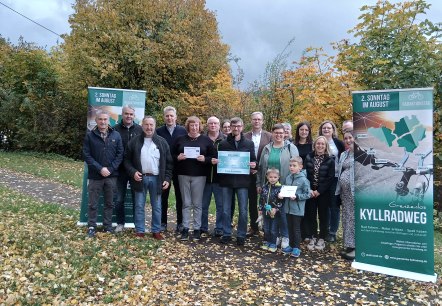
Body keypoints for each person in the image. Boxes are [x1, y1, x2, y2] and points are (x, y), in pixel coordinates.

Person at [124, 116, 173, 239]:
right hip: (140, 179)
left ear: (155, 126)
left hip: (157, 179)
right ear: (142, 125)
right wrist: (133, 172)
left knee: (157, 207)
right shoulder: (134, 142)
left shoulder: (162, 142)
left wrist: (167, 178)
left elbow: (169, 163)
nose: (149, 127)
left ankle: (156, 231)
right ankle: (140, 230)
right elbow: (126, 160)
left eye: (151, 125)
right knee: (139, 205)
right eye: (146, 124)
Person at [256, 123, 299, 252]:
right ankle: (272, 238)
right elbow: (260, 168)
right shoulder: (267, 148)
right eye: (276, 133)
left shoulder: (291, 148)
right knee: (270, 213)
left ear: (285, 134)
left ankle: (285, 237)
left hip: (285, 187)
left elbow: (296, 166)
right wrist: (259, 184)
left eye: (281, 133)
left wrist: (295, 186)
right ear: (272, 133)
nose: (279, 135)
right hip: (268, 187)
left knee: (283, 214)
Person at [172, 116, 216, 241]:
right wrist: (178, 158)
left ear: (200, 126)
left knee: (197, 204)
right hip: (183, 174)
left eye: (196, 125)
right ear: (188, 126)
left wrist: (205, 159)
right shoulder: (180, 139)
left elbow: (213, 157)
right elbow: (172, 154)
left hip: (200, 176)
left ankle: (197, 229)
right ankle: (185, 228)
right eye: (192, 125)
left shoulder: (206, 140)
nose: (194, 127)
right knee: (186, 203)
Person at [215, 117, 257, 246]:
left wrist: (254, 164)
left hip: (243, 182)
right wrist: (218, 163)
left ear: (242, 127)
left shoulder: (249, 144)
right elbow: (220, 162)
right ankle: (227, 233)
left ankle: (241, 235)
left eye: (238, 126)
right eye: (233, 126)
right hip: (226, 181)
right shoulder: (222, 144)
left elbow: (254, 161)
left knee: (243, 210)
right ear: (230, 127)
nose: (236, 128)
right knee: (226, 210)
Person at [83, 110, 124, 238]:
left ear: (109, 121)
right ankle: (91, 226)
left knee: (109, 203)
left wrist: (110, 169)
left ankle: (107, 226)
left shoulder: (116, 135)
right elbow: (86, 155)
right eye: (100, 119)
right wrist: (100, 169)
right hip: (95, 176)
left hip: (111, 176)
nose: (103, 121)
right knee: (93, 203)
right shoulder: (90, 135)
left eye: (105, 119)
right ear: (96, 120)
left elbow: (120, 154)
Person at [156, 106, 187, 232]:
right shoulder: (158, 131)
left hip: (180, 168)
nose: (169, 118)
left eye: (171, 116)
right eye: (167, 116)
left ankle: (180, 223)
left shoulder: (183, 131)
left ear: (176, 117)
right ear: (164, 117)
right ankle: (162, 222)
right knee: (163, 196)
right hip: (164, 169)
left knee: (180, 196)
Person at [113, 105, 143, 233]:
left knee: (137, 200)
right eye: (126, 114)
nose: (129, 116)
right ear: (122, 114)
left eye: (131, 114)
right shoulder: (114, 130)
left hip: (136, 171)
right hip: (120, 171)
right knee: (119, 199)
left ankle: (138, 225)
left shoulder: (140, 130)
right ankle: (120, 223)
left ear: (134, 115)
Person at [304, 136, 335, 251]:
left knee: (323, 216)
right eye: (318, 144)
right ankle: (312, 236)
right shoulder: (309, 157)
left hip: (323, 193)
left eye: (322, 144)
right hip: (310, 192)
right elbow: (305, 174)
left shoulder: (330, 160)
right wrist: (310, 190)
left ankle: (322, 237)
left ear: (326, 146)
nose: (320, 146)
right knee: (311, 215)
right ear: (315, 145)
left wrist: (319, 191)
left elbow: (330, 178)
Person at [244, 111, 272, 236]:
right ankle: (254, 227)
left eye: (259, 119)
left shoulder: (269, 136)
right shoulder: (245, 136)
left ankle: (266, 227)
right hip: (248, 173)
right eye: (254, 119)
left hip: (265, 173)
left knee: (266, 200)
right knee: (252, 200)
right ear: (251, 121)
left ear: (262, 121)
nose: (256, 121)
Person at [318, 120, 345, 243]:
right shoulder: (318, 142)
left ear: (333, 130)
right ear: (321, 130)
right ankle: (324, 229)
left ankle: (332, 232)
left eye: (329, 128)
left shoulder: (339, 143)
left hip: (335, 178)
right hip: (322, 178)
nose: (326, 130)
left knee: (334, 205)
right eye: (324, 128)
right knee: (324, 206)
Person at [201, 116, 226, 237]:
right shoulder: (202, 139)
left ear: (219, 125)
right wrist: (209, 160)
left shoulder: (225, 139)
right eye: (210, 123)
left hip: (220, 179)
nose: (213, 125)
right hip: (204, 178)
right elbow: (198, 157)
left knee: (220, 205)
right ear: (207, 125)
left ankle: (219, 227)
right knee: (203, 205)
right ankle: (203, 227)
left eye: (215, 123)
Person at [282, 156, 311, 258]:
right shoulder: (288, 178)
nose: (291, 167)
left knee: (296, 229)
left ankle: (296, 248)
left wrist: (297, 196)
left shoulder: (304, 180)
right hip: (288, 208)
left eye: (294, 165)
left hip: (297, 209)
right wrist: (282, 194)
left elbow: (308, 194)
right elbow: (285, 189)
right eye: (290, 165)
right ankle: (290, 245)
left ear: (300, 167)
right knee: (289, 228)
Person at [336, 130, 355, 260]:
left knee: (354, 218)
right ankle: (349, 245)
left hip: (356, 192)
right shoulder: (344, 154)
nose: (348, 141)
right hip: (345, 192)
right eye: (346, 138)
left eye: (350, 138)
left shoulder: (362, 154)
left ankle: (356, 248)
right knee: (347, 217)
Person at [259, 168, 283, 253]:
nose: (272, 179)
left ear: (278, 177)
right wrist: (260, 208)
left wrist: (276, 209)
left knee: (273, 229)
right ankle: (267, 242)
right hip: (266, 212)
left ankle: (273, 243)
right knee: (266, 228)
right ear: (267, 177)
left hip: (274, 213)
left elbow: (281, 202)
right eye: (271, 177)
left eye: (275, 177)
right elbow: (261, 199)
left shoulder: (280, 188)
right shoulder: (264, 187)